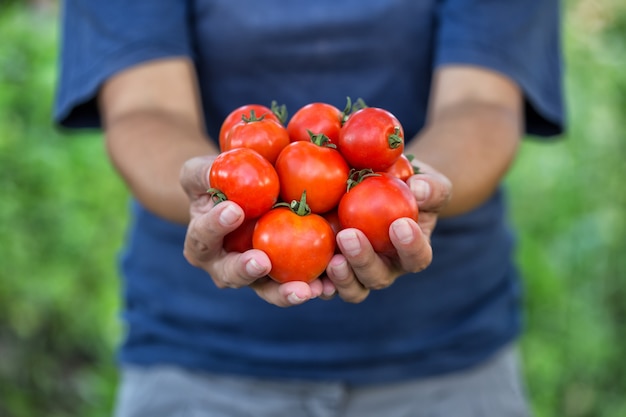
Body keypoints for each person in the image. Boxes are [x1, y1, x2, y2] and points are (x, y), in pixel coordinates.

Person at [55, 0, 563, 416]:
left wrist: (413, 191)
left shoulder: (335, 158)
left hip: (446, 357)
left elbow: (483, 103)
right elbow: (144, 108)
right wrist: (210, 192)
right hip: (199, 361)